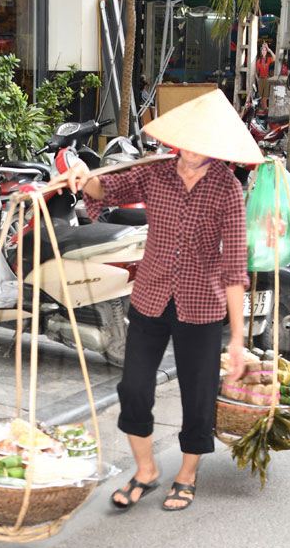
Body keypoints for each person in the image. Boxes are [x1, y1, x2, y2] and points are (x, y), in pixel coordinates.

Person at [66, 90, 259, 513]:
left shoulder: (227, 190)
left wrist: (238, 339)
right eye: (186, 141)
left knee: (198, 393)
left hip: (201, 306)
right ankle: (146, 470)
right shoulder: (156, 174)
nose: (190, 152)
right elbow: (107, 188)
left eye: (201, 144)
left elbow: (234, 268)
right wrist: (83, 174)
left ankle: (187, 474)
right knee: (133, 386)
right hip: (152, 296)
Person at [254, 42, 276, 112]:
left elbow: (275, 58)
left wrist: (269, 50)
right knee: (261, 98)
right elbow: (256, 72)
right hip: (261, 79)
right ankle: (264, 111)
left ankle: (265, 111)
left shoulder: (268, 59)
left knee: (265, 98)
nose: (264, 51)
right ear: (261, 51)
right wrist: (258, 80)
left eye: (265, 50)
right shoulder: (259, 61)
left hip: (266, 79)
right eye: (263, 50)